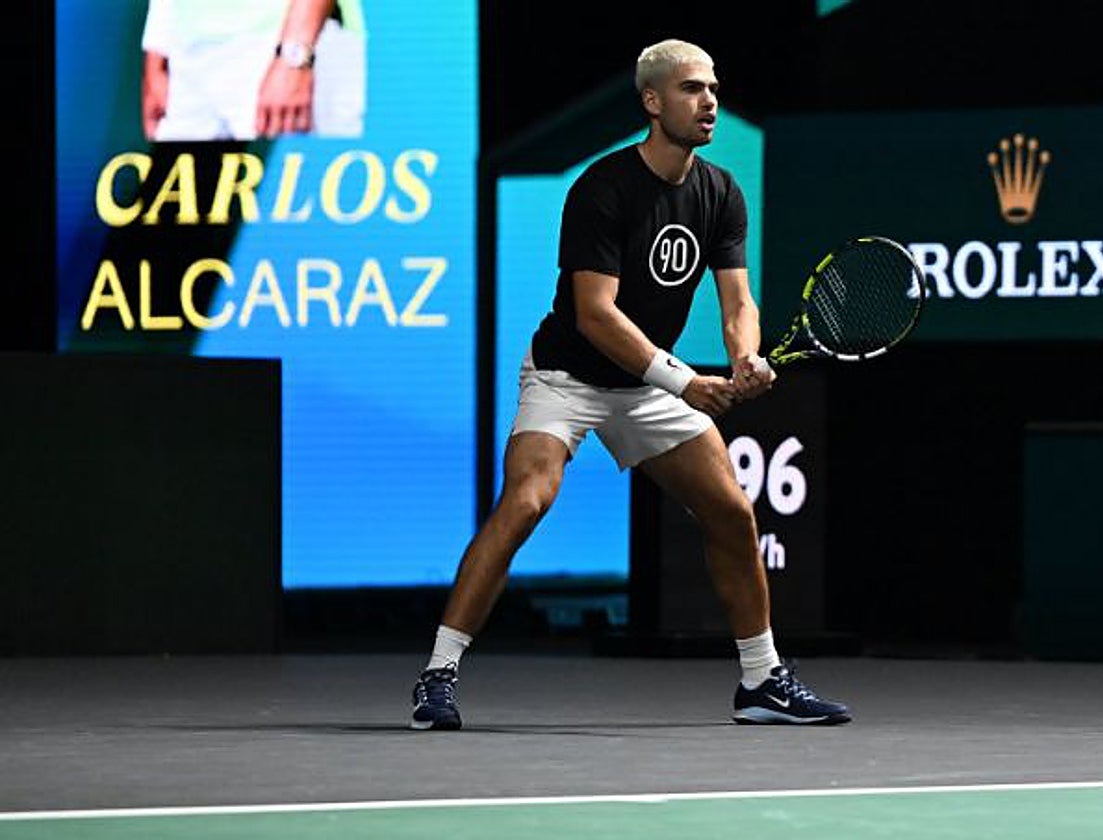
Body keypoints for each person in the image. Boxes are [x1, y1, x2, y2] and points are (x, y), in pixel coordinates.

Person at [411, 39, 851, 730]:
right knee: (526, 500)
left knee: (731, 513)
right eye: (692, 89)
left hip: (645, 389)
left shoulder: (721, 192)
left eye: (714, 89)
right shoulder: (603, 187)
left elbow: (738, 301)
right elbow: (594, 314)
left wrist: (745, 356)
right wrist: (682, 380)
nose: (709, 102)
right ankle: (438, 675)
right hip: (568, 376)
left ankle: (762, 680)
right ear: (652, 101)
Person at [141, 0, 365, 141]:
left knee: (296, 194)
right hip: (190, 50)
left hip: (281, 43)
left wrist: (294, 55)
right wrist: (157, 51)